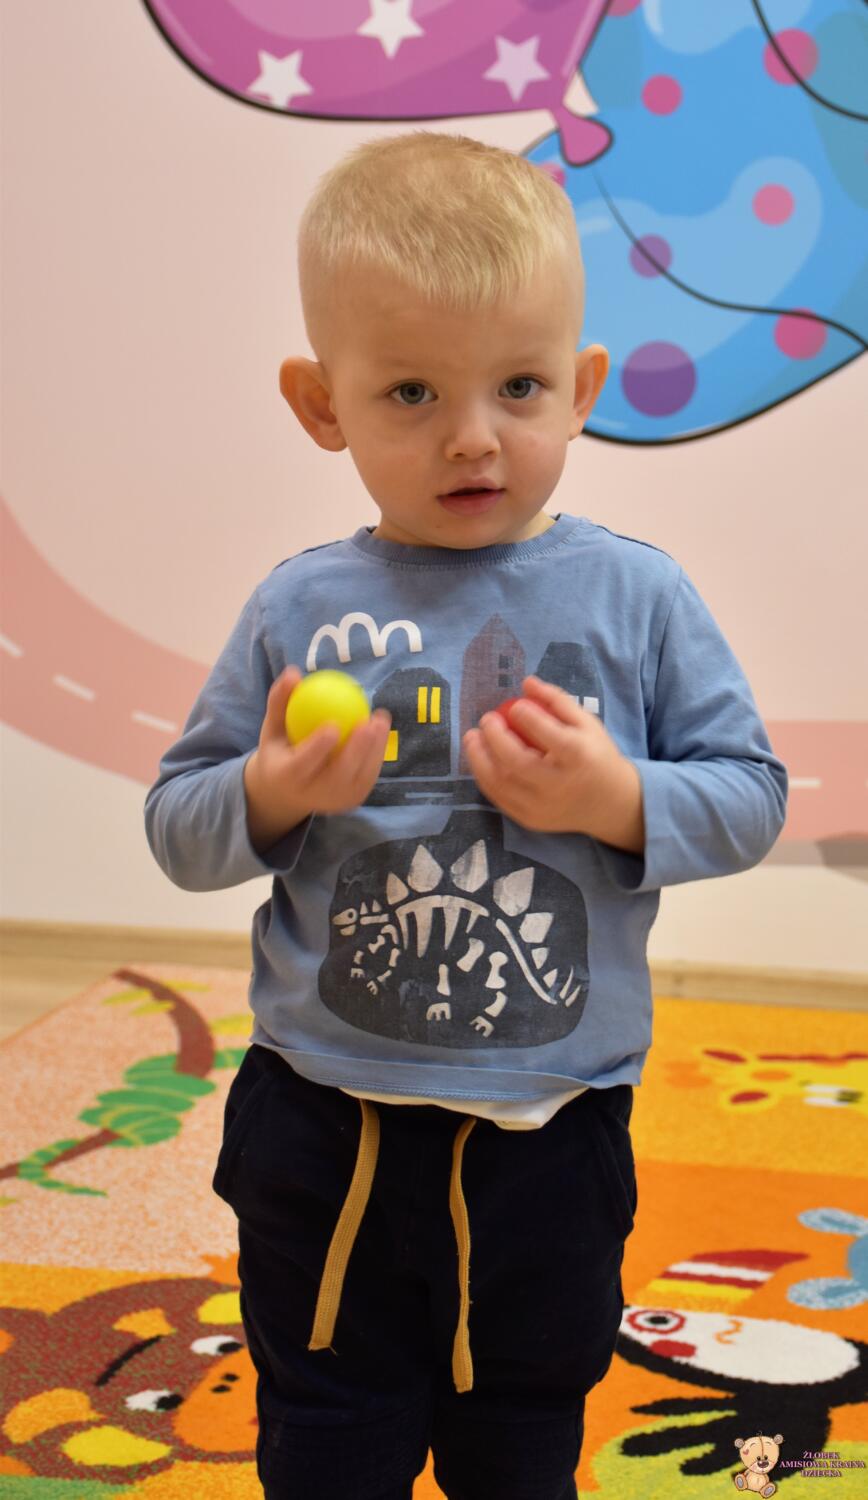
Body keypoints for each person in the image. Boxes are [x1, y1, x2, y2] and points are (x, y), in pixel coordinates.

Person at [144, 130, 788, 1500]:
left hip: (554, 1134)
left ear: (584, 388)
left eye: (520, 386)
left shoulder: (638, 599)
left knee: (525, 1433)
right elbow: (179, 826)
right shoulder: (299, 609)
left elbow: (751, 799)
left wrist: (619, 797)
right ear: (321, 404)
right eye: (412, 392)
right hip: (329, 1123)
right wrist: (271, 791)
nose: (474, 435)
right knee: (328, 1434)